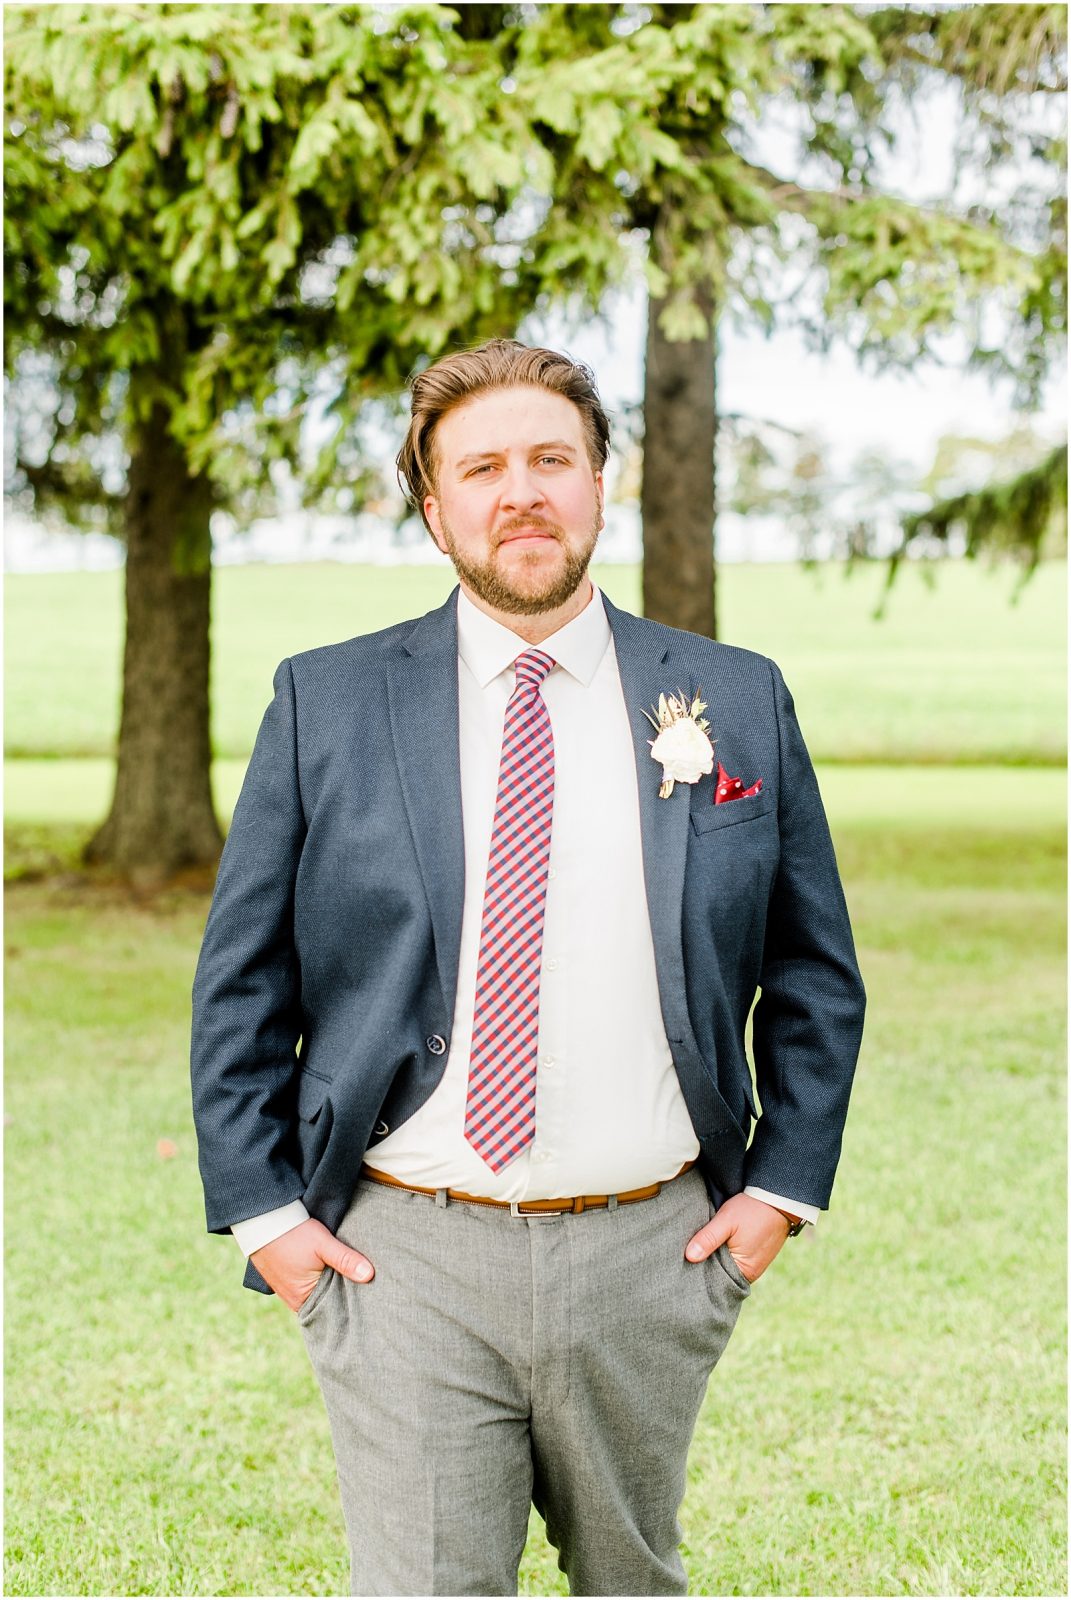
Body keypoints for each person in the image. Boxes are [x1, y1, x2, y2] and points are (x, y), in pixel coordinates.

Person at [191, 338, 865, 1597]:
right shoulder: (327, 702)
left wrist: (777, 1195)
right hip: (405, 1253)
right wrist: (271, 1217)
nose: (523, 493)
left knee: (633, 1580)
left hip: (652, 1253)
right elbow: (242, 979)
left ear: (601, 479)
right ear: (433, 505)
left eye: (552, 458)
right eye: (482, 467)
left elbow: (815, 971)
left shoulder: (733, 696)